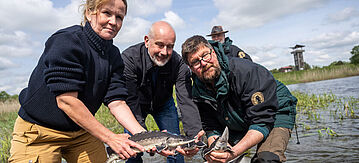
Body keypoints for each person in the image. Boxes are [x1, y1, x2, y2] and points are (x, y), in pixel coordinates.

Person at [8, 0, 148, 162]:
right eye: (107, 13)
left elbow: (117, 102)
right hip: (40, 132)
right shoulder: (67, 41)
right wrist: (110, 138)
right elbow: (66, 101)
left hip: (81, 130)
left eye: (119, 17)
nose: (113, 22)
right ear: (89, 13)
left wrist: (147, 137)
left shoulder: (114, 55)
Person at [181, 35, 297, 163]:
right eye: (196, 62)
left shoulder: (245, 71)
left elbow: (262, 121)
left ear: (213, 52)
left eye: (205, 55)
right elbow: (211, 126)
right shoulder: (197, 90)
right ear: (190, 68)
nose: (203, 63)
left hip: (274, 111)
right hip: (235, 116)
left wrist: (233, 152)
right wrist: (217, 151)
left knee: (266, 159)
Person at [121, 21, 203, 163]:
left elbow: (186, 100)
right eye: (159, 44)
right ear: (147, 41)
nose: (164, 52)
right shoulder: (129, 59)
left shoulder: (178, 64)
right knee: (133, 149)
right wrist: (144, 136)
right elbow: (130, 101)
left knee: (176, 150)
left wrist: (194, 135)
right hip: (137, 106)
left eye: (170, 47)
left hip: (164, 104)